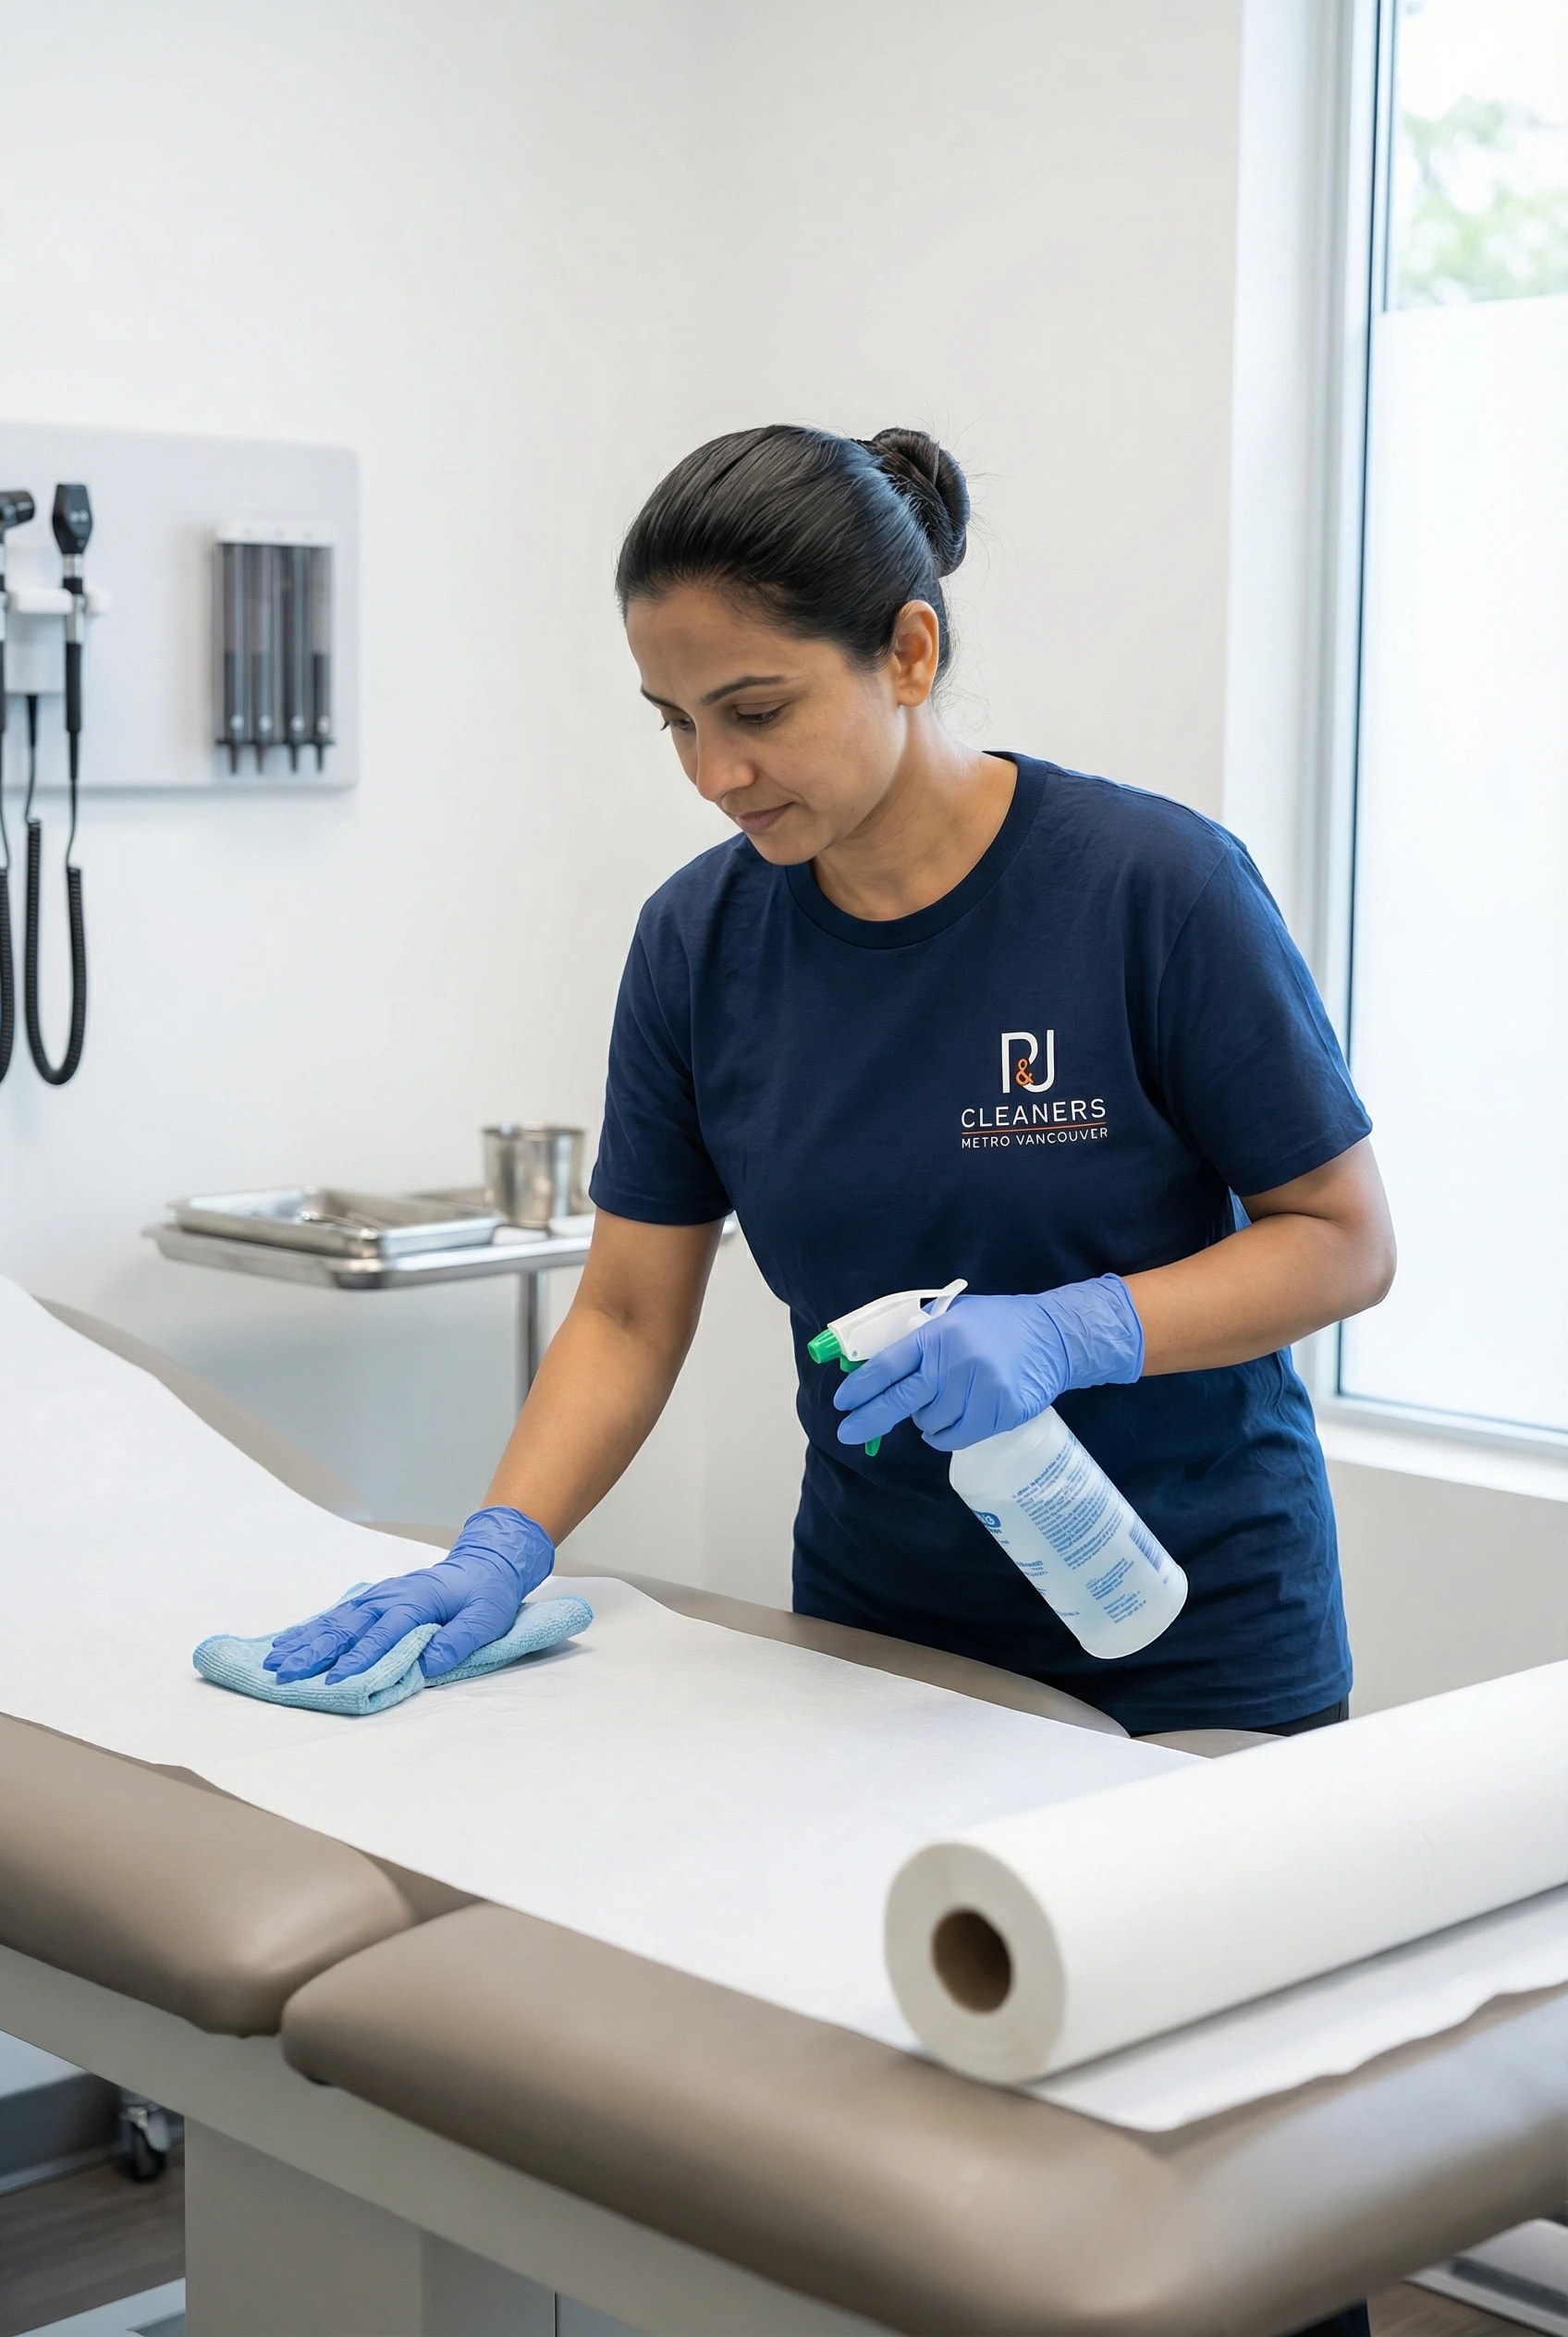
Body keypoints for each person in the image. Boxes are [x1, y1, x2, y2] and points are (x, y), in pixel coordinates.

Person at [268, 425, 1394, 2337]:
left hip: (1190, 1634)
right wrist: (501, 1541)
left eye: (756, 709)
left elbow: (1338, 1236)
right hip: (881, 1642)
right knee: (919, 2176)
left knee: (1221, 2207)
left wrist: (1077, 1327)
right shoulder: (699, 944)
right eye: (673, 723)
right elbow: (630, 1310)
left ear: (909, 651)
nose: (715, 773)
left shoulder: (1146, 888)